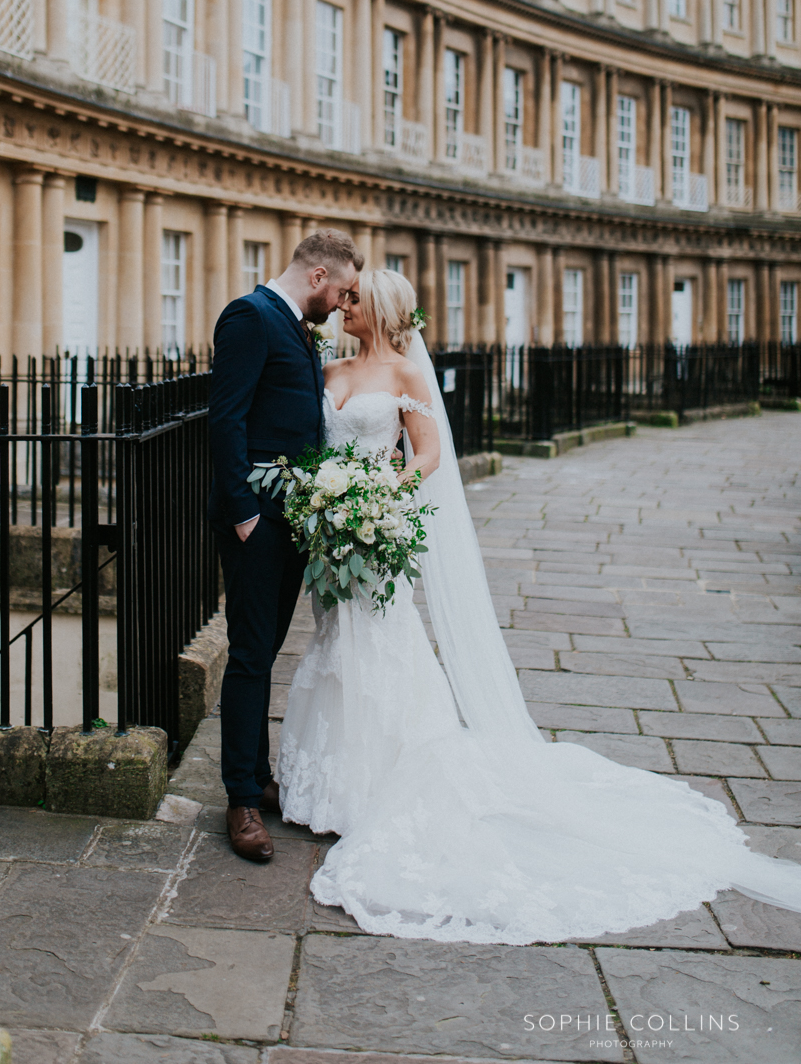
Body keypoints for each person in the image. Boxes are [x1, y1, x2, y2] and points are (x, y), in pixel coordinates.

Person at [276, 266, 801, 943]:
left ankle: (380, 780)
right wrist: (327, 495)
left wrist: (377, 496)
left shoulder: (407, 373)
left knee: (383, 640)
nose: (340, 306)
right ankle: (323, 785)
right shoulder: (328, 370)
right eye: (341, 297)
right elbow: (315, 444)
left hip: (377, 528)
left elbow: (429, 453)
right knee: (332, 643)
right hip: (334, 533)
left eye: (352, 299)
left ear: (376, 309)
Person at [208, 228, 361, 862]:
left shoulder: (298, 324)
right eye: (345, 291)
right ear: (319, 276)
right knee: (248, 654)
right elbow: (227, 417)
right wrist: (242, 510)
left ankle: (258, 776)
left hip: (292, 516)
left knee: (266, 650)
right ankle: (240, 799)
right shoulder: (249, 316)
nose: (344, 306)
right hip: (257, 521)